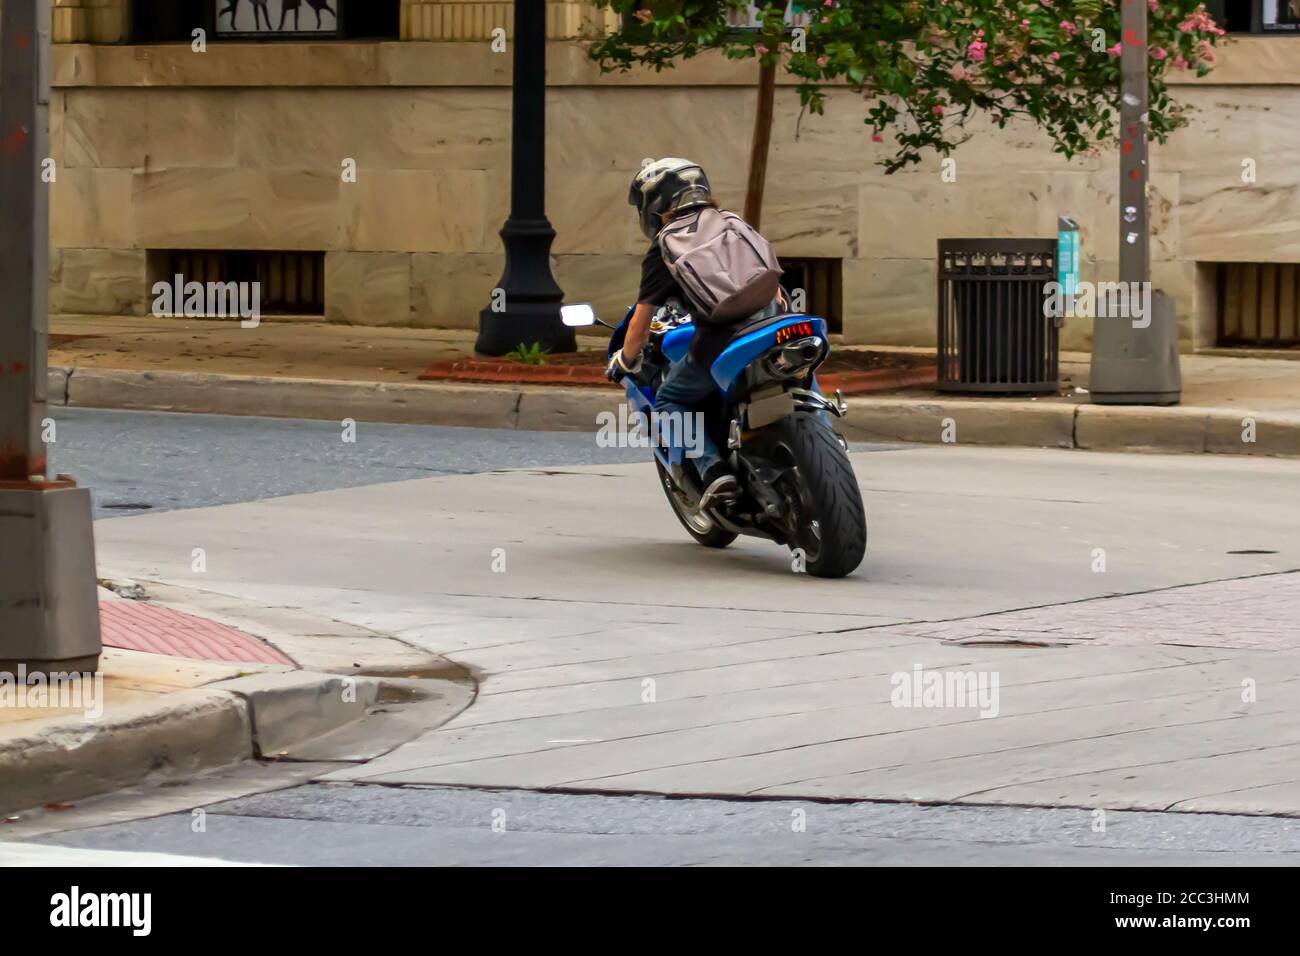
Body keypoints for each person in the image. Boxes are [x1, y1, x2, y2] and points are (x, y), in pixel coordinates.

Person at [610, 158, 784, 502]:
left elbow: (639, 327)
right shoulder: (732, 222)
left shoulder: (666, 244)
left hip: (723, 341)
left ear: (656, 208)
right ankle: (825, 430)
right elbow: (774, 284)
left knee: (668, 400)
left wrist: (624, 362)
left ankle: (714, 471)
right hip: (777, 325)